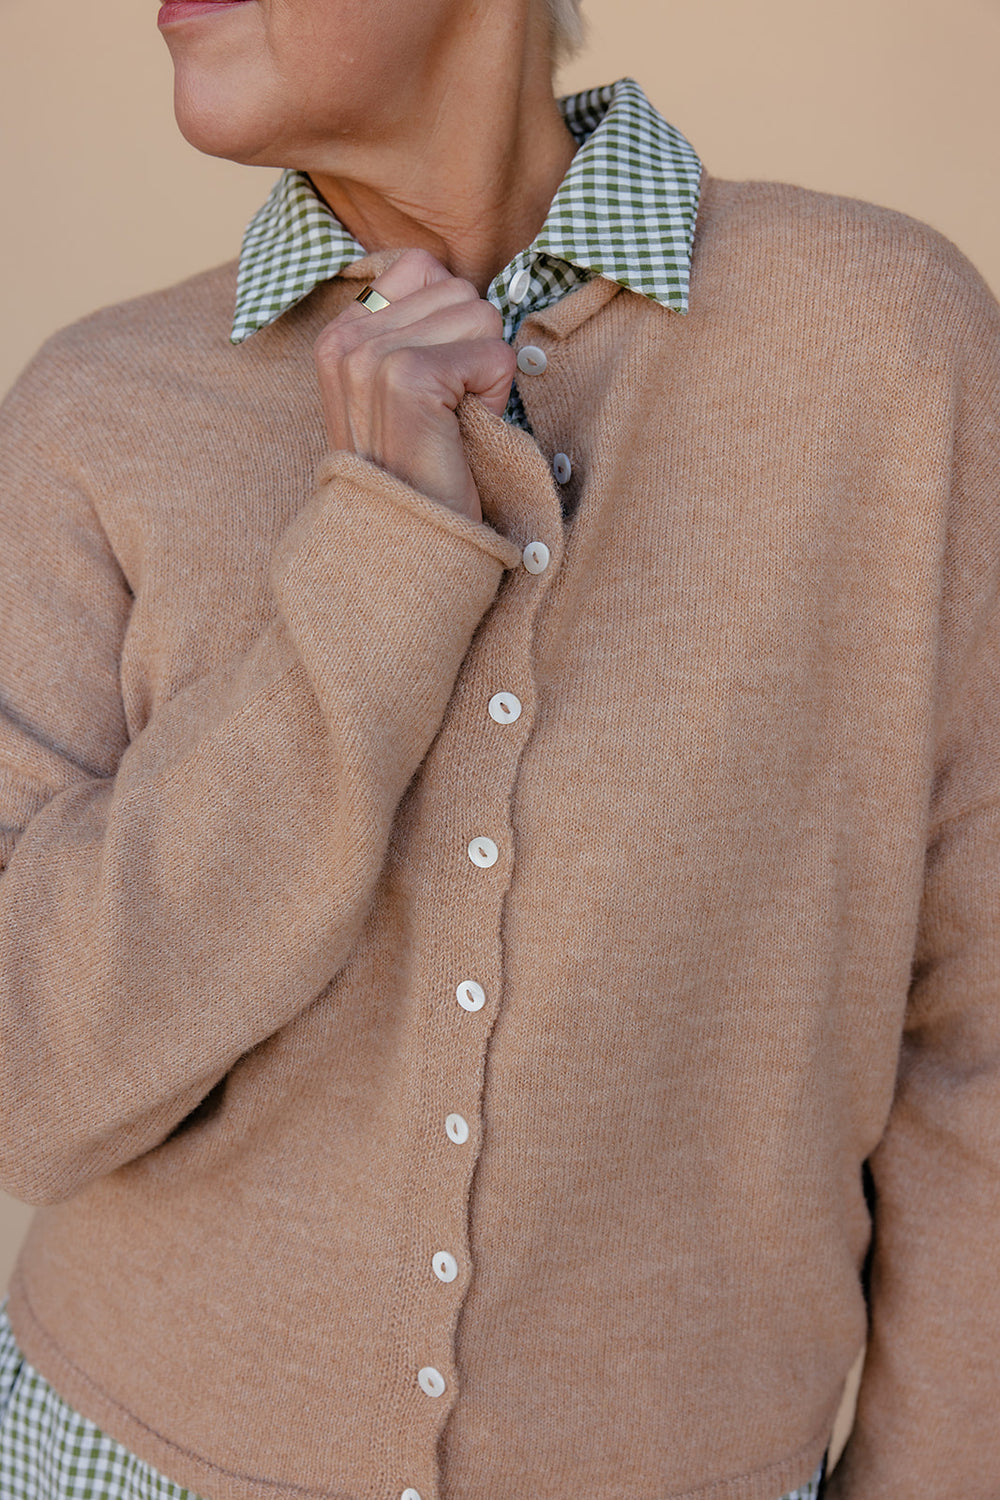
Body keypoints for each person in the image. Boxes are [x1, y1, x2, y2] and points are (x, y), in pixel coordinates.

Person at [0, 0, 998, 1496]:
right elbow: (25, 1084)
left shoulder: (888, 346)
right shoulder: (97, 410)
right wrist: (379, 564)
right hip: (116, 1458)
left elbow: (981, 1038)